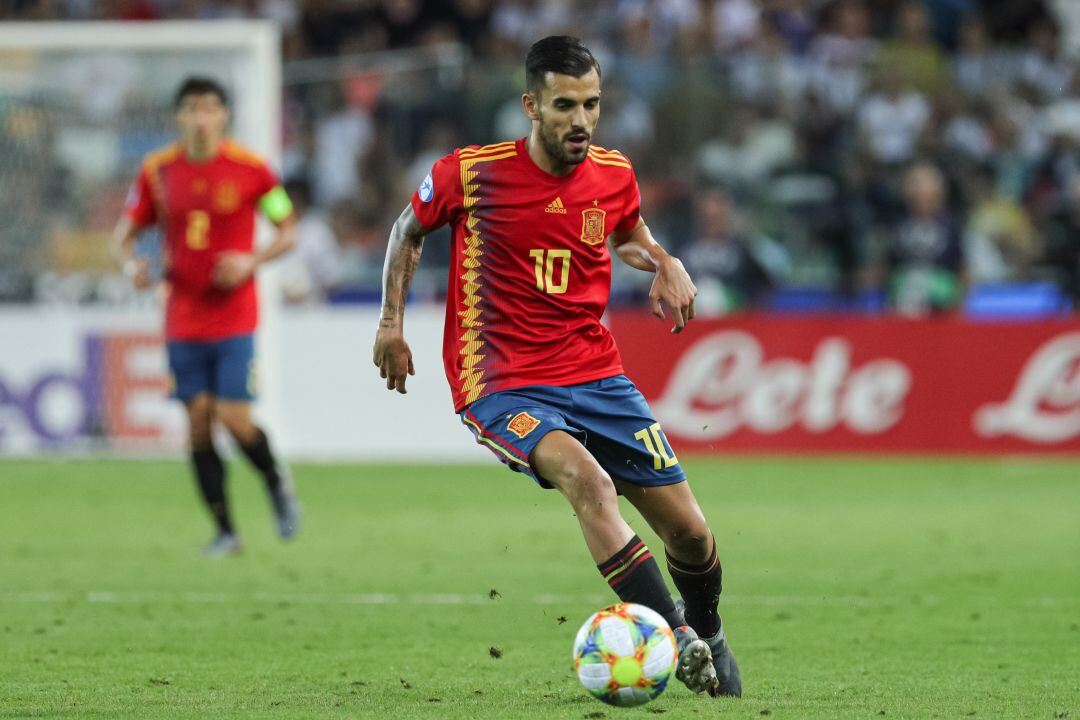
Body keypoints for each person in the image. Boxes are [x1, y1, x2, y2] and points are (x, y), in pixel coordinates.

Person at [372, 36, 741, 698]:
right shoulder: (471, 172)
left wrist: (664, 261)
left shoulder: (614, 173)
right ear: (531, 106)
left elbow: (628, 235)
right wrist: (392, 322)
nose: (581, 120)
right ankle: (676, 637)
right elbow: (408, 229)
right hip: (501, 380)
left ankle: (709, 633)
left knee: (689, 531)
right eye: (565, 105)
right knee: (590, 484)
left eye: (591, 104)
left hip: (596, 373)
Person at [113, 77, 301, 556]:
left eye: (210, 108)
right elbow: (124, 236)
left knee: (232, 417)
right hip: (181, 317)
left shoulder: (252, 169)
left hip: (235, 315)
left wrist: (250, 261)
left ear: (224, 116)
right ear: (179, 116)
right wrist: (132, 264)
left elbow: (288, 230)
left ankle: (276, 480)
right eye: (192, 109)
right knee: (197, 423)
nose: (201, 118)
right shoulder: (157, 170)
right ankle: (225, 532)